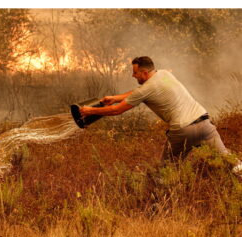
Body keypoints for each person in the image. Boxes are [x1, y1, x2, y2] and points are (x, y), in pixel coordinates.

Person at [79, 56, 242, 176]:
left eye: (135, 73)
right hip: (205, 124)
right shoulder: (165, 75)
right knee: (229, 159)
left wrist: (89, 111)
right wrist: (115, 98)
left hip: (182, 130)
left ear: (144, 72)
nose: (133, 76)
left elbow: (117, 110)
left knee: (167, 170)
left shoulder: (146, 89)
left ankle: (161, 206)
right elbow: (143, 92)